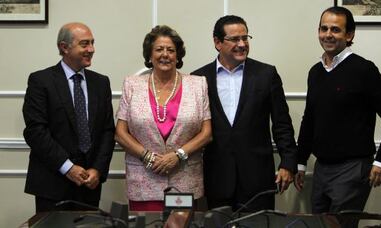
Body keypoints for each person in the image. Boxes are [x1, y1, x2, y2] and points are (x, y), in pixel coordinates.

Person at [294, 6, 381, 227]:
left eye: (335, 29)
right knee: (319, 224)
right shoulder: (315, 72)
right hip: (321, 169)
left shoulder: (363, 70)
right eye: (323, 28)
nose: (328, 34)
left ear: (349, 35)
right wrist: (300, 162)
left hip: (353, 169)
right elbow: (310, 119)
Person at [191, 15, 297, 211]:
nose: (242, 44)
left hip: (257, 178)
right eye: (234, 39)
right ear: (217, 42)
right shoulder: (198, 78)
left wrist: (288, 163)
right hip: (216, 177)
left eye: (245, 38)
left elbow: (282, 124)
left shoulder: (266, 74)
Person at [115, 25, 212, 211]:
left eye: (171, 50)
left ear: (178, 55)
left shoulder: (198, 84)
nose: (165, 54)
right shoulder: (132, 84)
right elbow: (120, 133)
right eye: (159, 49)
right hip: (143, 180)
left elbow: (206, 133)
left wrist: (179, 155)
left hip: (184, 180)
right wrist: (147, 156)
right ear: (150, 55)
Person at [23, 22, 115, 212]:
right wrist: (68, 167)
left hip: (89, 185)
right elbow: (35, 132)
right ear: (64, 47)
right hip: (52, 184)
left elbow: (107, 131)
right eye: (84, 44)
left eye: (92, 43)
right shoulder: (41, 81)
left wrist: (98, 169)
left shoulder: (101, 82)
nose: (91, 49)